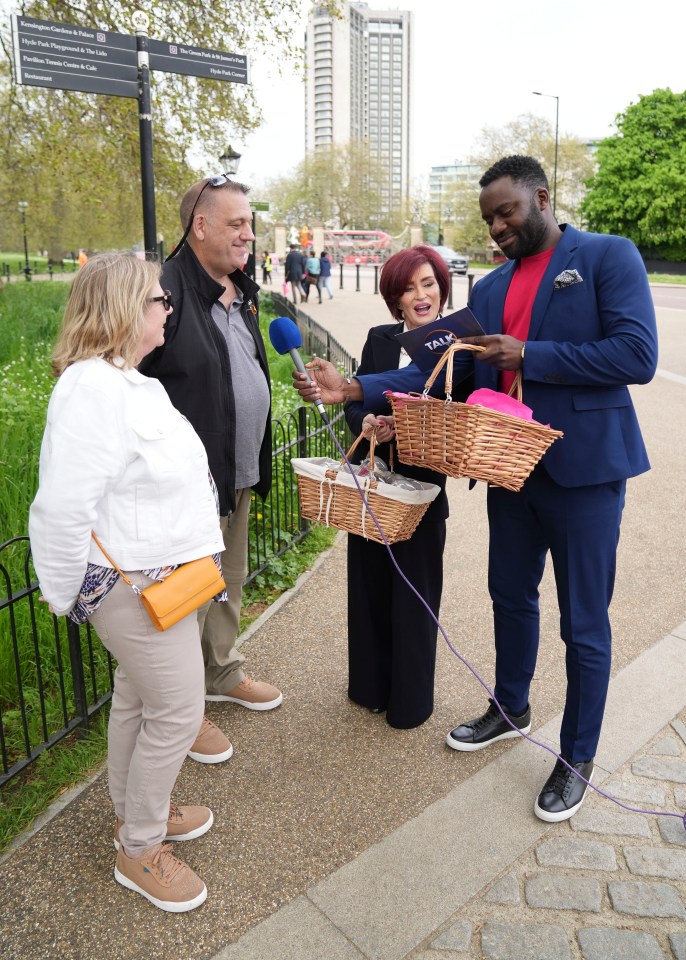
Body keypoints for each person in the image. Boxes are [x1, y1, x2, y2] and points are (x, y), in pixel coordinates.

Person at [291, 155, 658, 822]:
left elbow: (638, 354)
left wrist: (531, 355)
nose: (497, 227)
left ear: (541, 198)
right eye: (489, 218)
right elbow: (440, 368)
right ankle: (510, 705)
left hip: (586, 475)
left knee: (584, 625)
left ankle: (576, 756)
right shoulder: (489, 290)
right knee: (508, 596)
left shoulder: (608, 256)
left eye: (507, 212)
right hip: (508, 470)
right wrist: (352, 387)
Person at [29, 254, 225, 912]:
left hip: (162, 575)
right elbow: (61, 506)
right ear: (119, 310)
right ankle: (139, 849)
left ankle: (138, 811)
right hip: (131, 584)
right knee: (177, 710)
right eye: (155, 301)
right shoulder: (90, 387)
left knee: (139, 703)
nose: (166, 309)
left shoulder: (134, 384)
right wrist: (69, 594)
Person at [140, 176, 282, 766]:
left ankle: (221, 672)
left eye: (249, 222)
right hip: (186, 487)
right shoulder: (163, 292)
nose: (248, 233)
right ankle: (181, 709)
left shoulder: (240, 291)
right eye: (236, 223)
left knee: (229, 577)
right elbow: (130, 381)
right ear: (200, 226)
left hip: (237, 471)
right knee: (185, 597)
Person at [344, 247, 470, 728]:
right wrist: (369, 418)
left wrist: (405, 425)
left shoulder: (458, 342)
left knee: (415, 594)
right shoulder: (380, 338)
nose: (420, 295)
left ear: (443, 286)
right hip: (373, 482)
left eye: (428, 284)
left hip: (421, 487)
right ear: (393, 298)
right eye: (407, 287)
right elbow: (354, 403)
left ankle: (410, 702)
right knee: (370, 585)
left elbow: (455, 412)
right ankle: (369, 689)